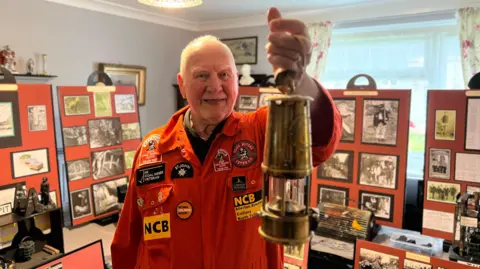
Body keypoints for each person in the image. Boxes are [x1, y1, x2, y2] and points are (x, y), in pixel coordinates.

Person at [111, 7, 342, 269]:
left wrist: (299, 80)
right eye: (201, 75)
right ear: (182, 85)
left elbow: (320, 140)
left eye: (224, 75)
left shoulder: (260, 131)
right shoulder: (152, 149)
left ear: (236, 82)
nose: (215, 86)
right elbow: (127, 242)